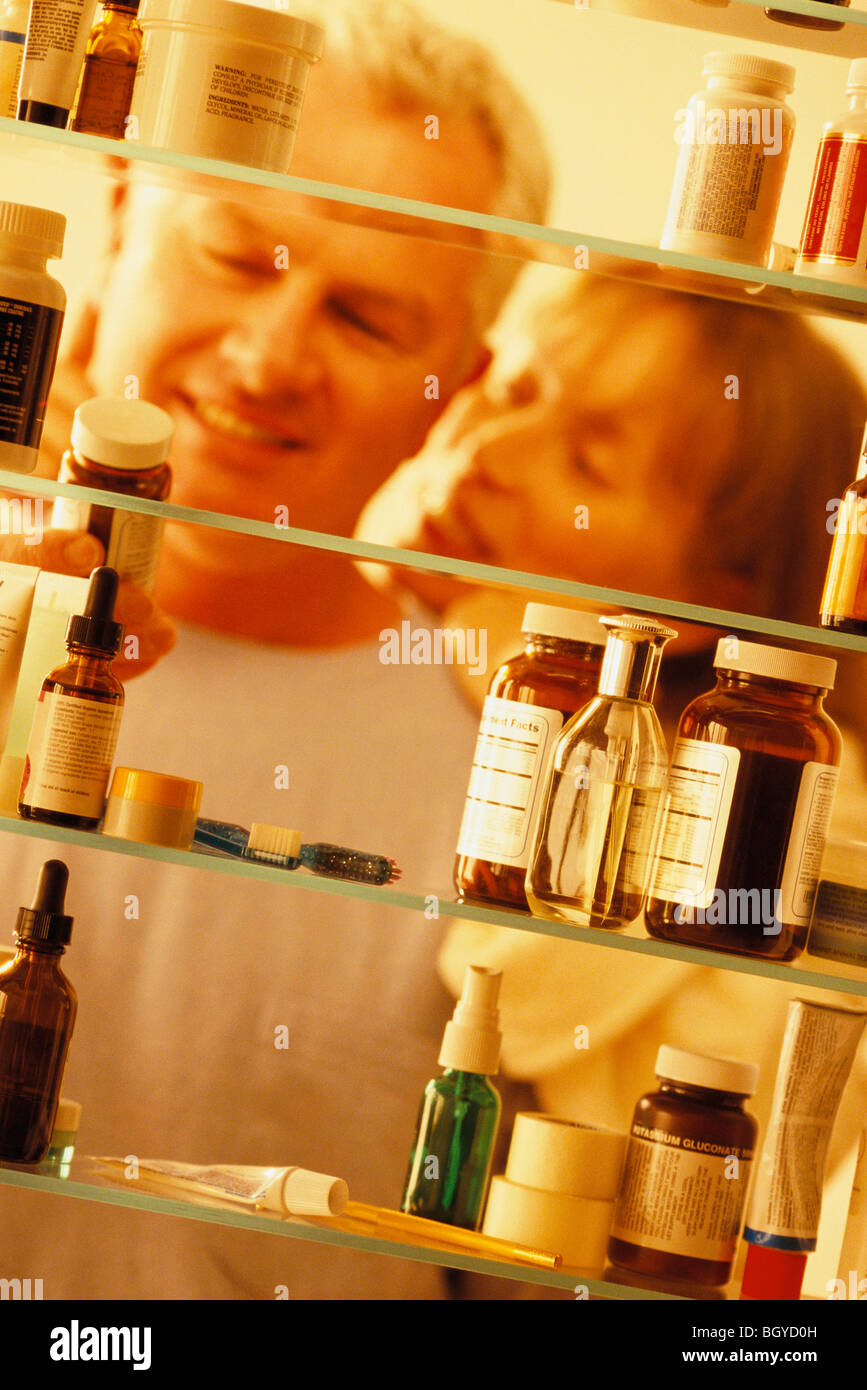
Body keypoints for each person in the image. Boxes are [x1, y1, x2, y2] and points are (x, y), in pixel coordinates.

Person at [0, 0, 553, 1299]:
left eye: (367, 320)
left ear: (454, 380)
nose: (268, 358)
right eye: (240, 254)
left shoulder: (504, 772)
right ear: (124, 215)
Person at [355, 274, 867, 1290]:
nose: (486, 455)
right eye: (507, 392)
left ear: (704, 601)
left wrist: (492, 636)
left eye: (588, 460)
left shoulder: (760, 792)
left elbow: (510, 983)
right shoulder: (385, 647)